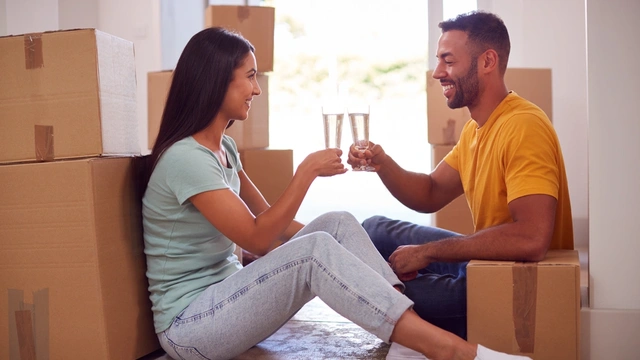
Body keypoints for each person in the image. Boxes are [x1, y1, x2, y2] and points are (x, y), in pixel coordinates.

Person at [141, 27, 532, 360]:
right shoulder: (185, 160)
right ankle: (453, 351)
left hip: (229, 299)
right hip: (191, 326)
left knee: (338, 223)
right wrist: (306, 173)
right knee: (316, 251)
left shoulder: (222, 149)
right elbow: (257, 238)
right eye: (250, 76)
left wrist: (347, 253)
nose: (257, 89)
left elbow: (279, 229)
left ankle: (404, 333)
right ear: (216, 80)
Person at [348, 10, 574, 342]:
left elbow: (531, 239)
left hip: (514, 283)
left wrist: (428, 252)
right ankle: (384, 282)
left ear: (487, 61)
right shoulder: (475, 130)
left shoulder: (524, 126)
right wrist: (382, 162)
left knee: (365, 284)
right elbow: (429, 192)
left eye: (448, 61)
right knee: (372, 230)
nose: (438, 72)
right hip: (486, 264)